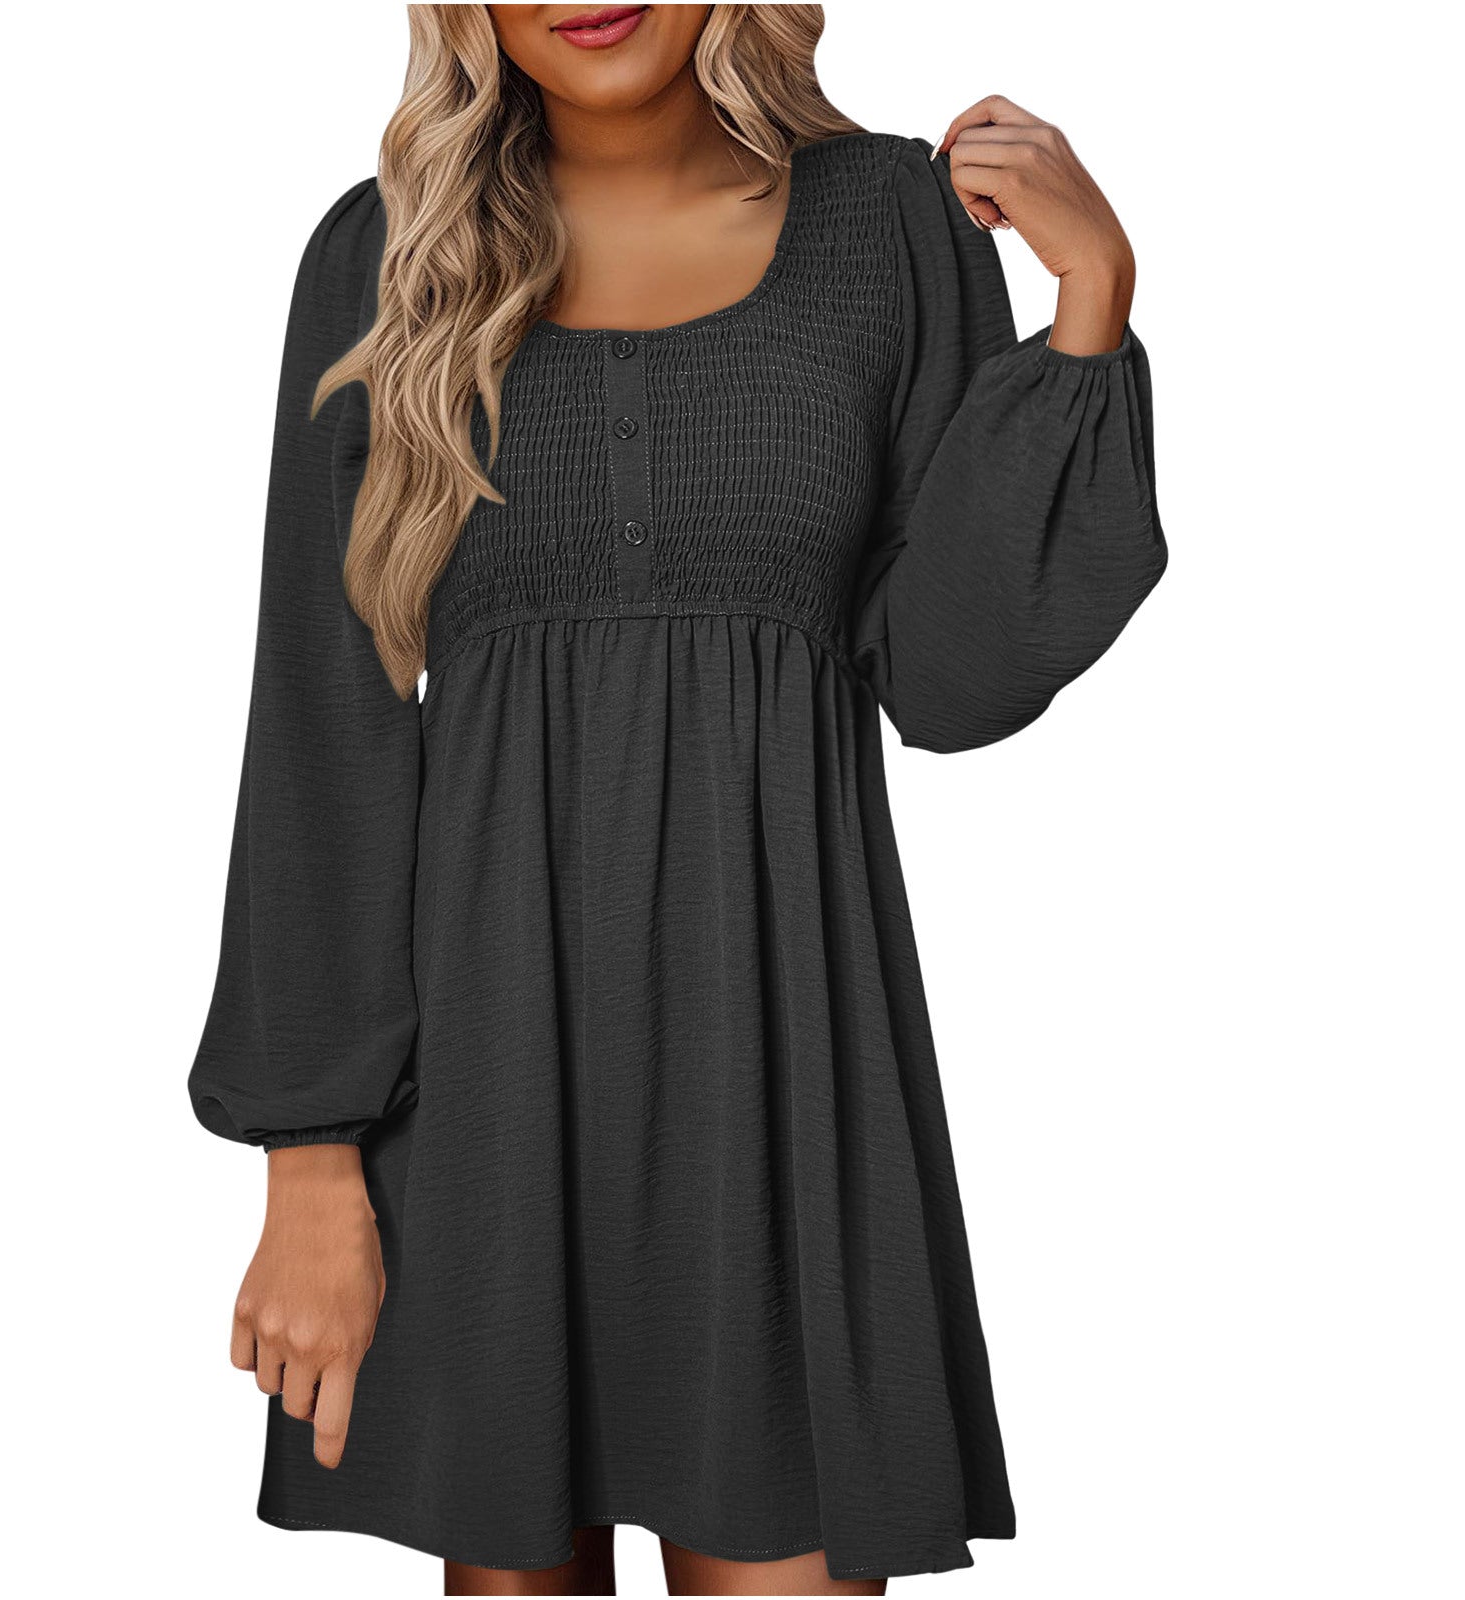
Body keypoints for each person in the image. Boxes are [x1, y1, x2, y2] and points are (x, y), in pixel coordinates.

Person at [187, 5, 1167, 1594]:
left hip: (787, 1086)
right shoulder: (383, 256)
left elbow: (950, 678)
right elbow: (320, 729)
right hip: (479, 1094)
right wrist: (308, 1161)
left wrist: (1091, 309)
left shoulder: (894, 223)